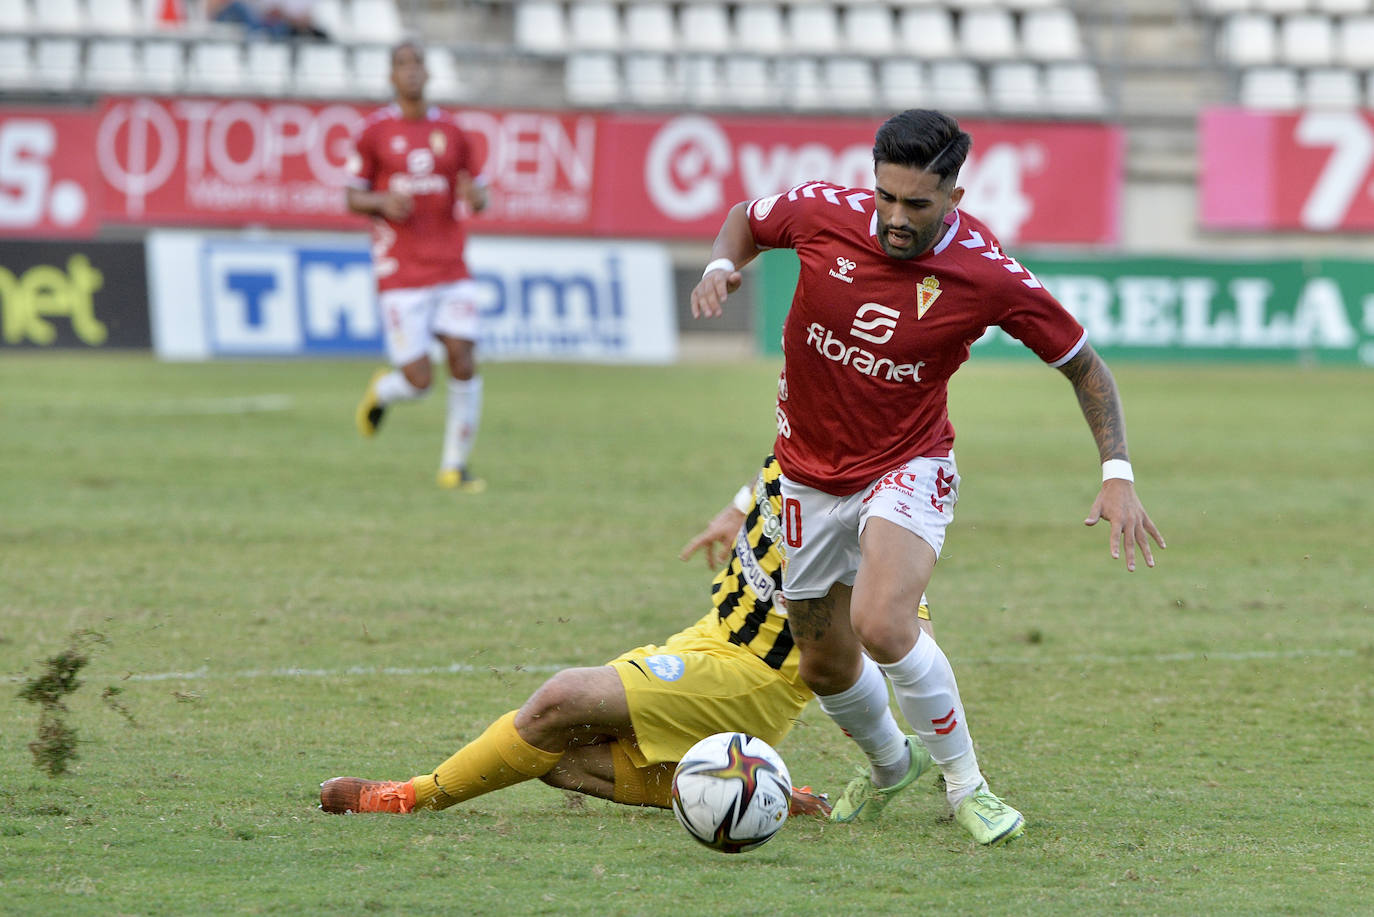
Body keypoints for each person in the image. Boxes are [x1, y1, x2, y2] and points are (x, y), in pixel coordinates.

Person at [690, 109, 1166, 846]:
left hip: (908, 463)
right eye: (886, 196)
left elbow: (1082, 362)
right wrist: (724, 265)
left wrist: (1117, 472)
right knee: (821, 662)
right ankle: (890, 764)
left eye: (916, 203)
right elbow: (743, 219)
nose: (895, 217)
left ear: (955, 196)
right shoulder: (823, 213)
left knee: (881, 621)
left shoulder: (984, 272)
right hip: (807, 475)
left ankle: (968, 786)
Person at [319, 454, 934, 817]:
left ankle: (406, 798)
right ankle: (757, 795)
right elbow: (781, 458)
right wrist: (738, 506)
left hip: (754, 678)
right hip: (709, 635)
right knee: (557, 758)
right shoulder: (815, 406)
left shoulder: (885, 482)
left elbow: (894, 610)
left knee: (559, 701)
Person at [347, 40, 489, 492]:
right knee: (418, 382)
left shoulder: (453, 132)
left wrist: (476, 197)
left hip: (450, 265)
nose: (411, 72)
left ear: (428, 73)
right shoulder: (374, 132)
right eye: (402, 65)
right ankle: (383, 390)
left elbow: (478, 190)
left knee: (463, 358)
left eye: (418, 64)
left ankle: (454, 467)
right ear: (391, 77)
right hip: (401, 272)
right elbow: (352, 195)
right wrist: (381, 201)